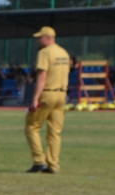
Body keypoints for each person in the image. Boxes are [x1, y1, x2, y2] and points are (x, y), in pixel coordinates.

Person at [24, 26, 70, 174]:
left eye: (40, 37)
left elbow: (42, 76)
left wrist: (35, 98)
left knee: (32, 126)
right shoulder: (63, 53)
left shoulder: (44, 53)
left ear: (48, 38)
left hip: (47, 94)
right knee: (55, 132)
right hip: (62, 95)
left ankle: (39, 161)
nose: (38, 40)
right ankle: (53, 164)